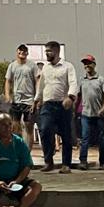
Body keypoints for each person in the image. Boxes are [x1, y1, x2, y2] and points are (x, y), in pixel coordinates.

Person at [33, 41, 77, 173]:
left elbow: (74, 83)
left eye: (49, 51)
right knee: (45, 130)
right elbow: (41, 86)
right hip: (47, 105)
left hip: (63, 105)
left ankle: (66, 164)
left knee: (66, 134)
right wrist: (36, 100)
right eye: (46, 51)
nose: (46, 53)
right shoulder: (45, 68)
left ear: (57, 52)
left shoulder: (68, 66)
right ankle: (48, 161)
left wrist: (70, 97)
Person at [77, 55, 104, 170]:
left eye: (89, 63)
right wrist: (75, 110)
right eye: (85, 64)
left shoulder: (101, 79)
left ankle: (102, 162)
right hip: (86, 114)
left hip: (99, 114)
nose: (87, 65)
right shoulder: (82, 80)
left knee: (101, 138)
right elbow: (78, 95)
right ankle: (83, 161)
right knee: (85, 138)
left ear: (94, 64)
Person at [4, 44, 37, 147]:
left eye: (24, 51)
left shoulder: (32, 65)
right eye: (20, 51)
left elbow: (37, 80)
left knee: (29, 127)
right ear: (17, 52)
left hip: (29, 101)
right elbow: (8, 81)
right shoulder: (12, 66)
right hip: (16, 101)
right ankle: (16, 149)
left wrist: (36, 98)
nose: (22, 53)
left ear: (27, 53)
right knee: (14, 126)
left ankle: (27, 153)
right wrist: (7, 94)